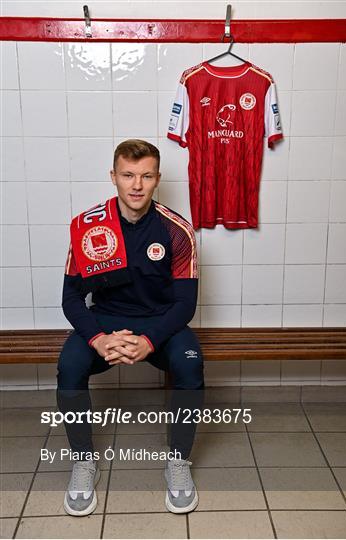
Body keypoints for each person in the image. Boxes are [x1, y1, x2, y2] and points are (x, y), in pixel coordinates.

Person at [57, 139, 204, 516]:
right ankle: (83, 461)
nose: (136, 185)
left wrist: (150, 340)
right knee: (69, 366)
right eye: (127, 175)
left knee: (190, 363)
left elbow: (185, 304)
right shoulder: (89, 227)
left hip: (159, 324)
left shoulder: (177, 231)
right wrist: (98, 337)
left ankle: (178, 462)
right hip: (105, 323)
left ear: (157, 179)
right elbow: (72, 299)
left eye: (146, 175)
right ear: (114, 177)